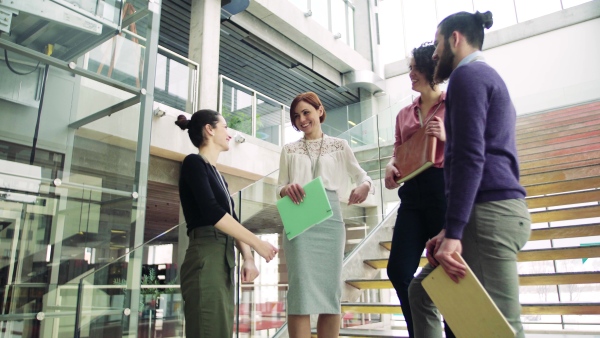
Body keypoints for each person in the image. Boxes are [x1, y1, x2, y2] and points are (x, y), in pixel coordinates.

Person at [408, 11, 531, 338]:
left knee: (502, 329)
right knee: (422, 291)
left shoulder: (467, 77)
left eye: (436, 44)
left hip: (490, 215)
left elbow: (469, 156)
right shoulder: (486, 77)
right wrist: (451, 226)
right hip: (489, 211)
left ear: (455, 39)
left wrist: (454, 232)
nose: (433, 54)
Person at [277, 92, 374, 338]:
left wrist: (365, 186)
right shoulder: (289, 150)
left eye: (306, 112)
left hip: (330, 222)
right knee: (300, 291)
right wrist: (286, 189)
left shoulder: (340, 146)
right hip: (299, 219)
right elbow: (279, 187)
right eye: (296, 116)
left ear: (320, 111)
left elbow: (362, 176)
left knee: (330, 292)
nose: (302, 119)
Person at [176, 109, 279, 337]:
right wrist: (257, 244)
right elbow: (212, 213)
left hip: (223, 258)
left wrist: (249, 257)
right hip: (206, 254)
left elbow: (231, 218)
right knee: (208, 329)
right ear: (209, 130)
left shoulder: (218, 176)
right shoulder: (193, 163)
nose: (229, 133)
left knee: (220, 329)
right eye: (224, 127)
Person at [383, 42, 453, 338]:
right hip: (411, 195)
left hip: (443, 189)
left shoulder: (454, 104)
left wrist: (449, 137)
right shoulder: (403, 114)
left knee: (450, 271)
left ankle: (455, 332)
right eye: (409, 68)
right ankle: (422, 332)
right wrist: (390, 167)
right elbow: (398, 151)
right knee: (398, 270)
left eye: (415, 67)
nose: (410, 73)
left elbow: (473, 148)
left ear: (430, 69)